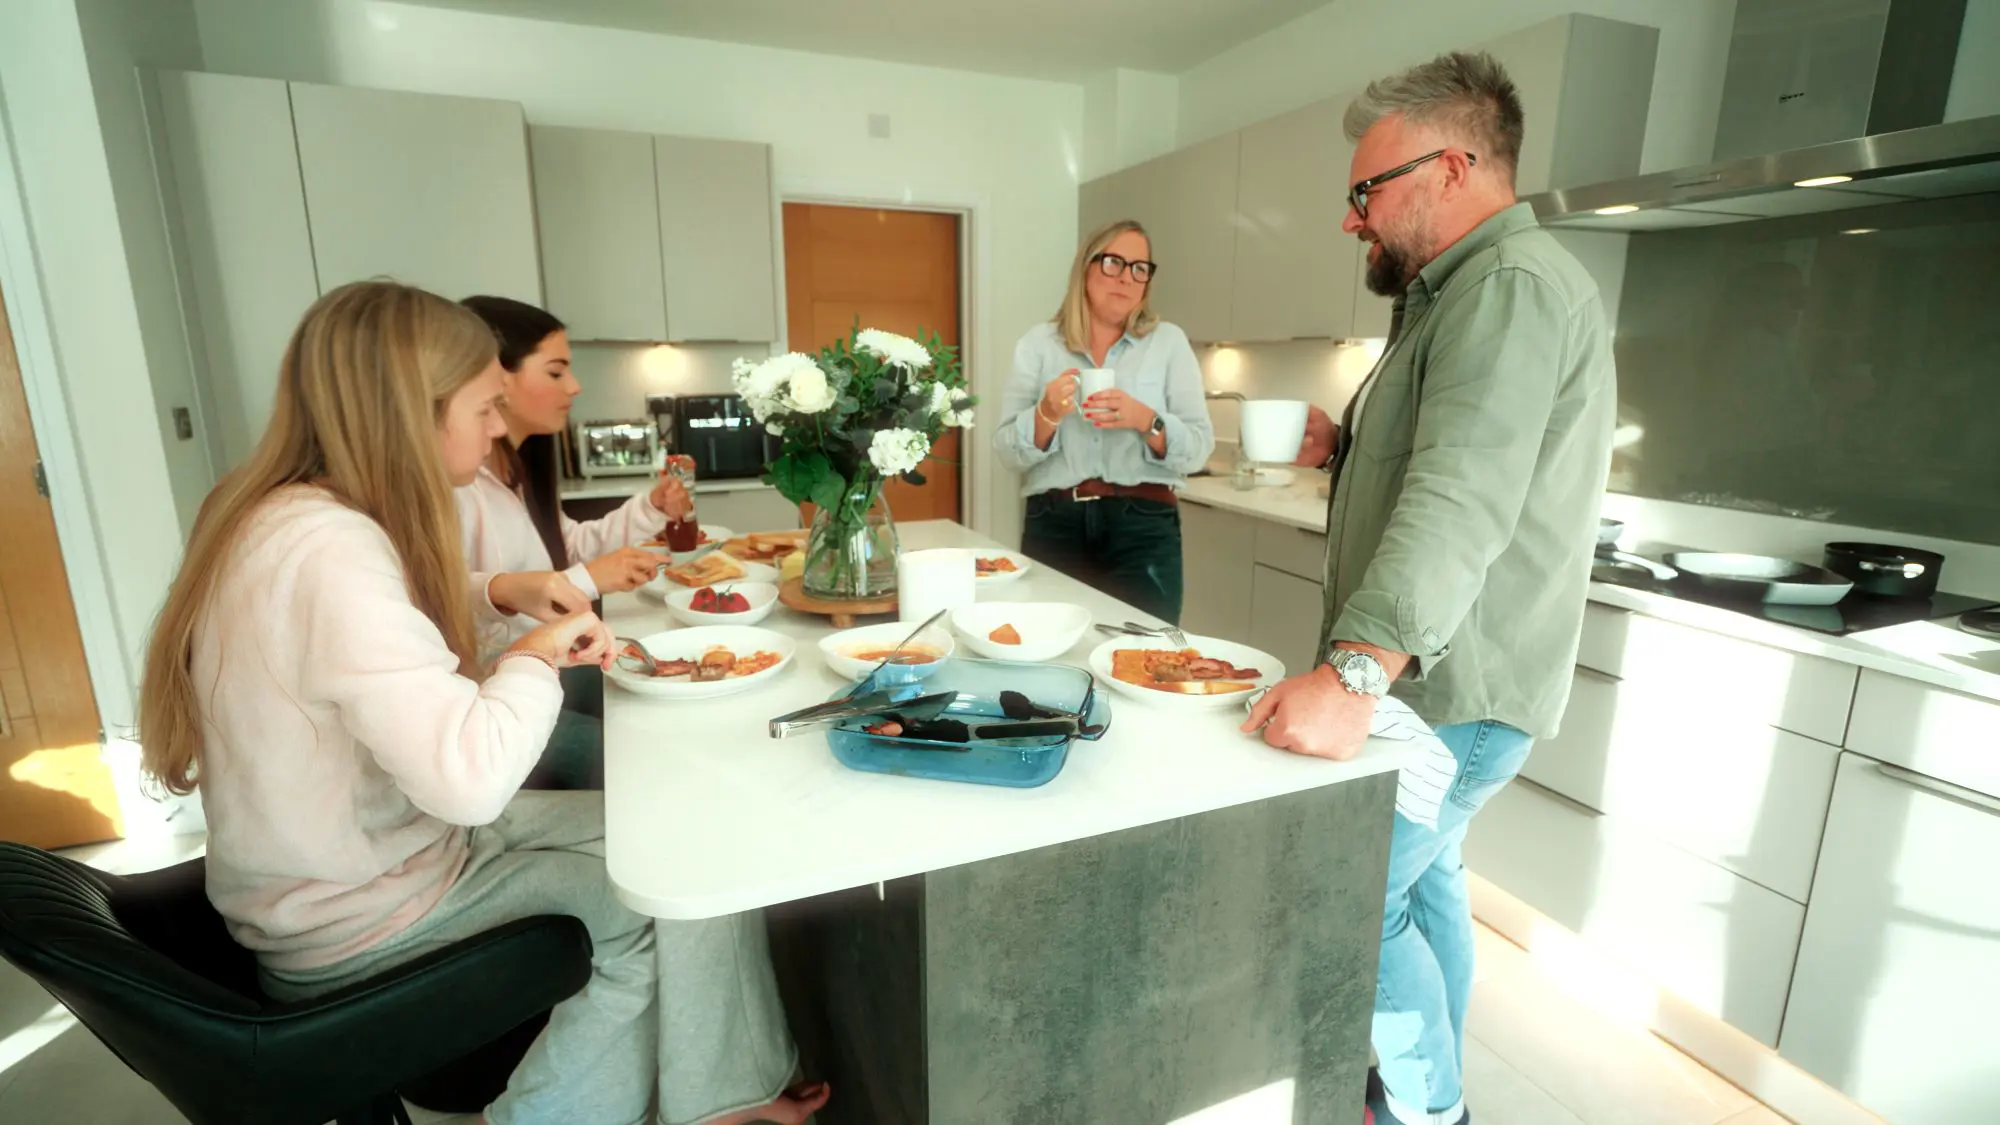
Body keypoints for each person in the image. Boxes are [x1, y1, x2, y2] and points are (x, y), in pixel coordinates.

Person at [137, 281, 828, 1125]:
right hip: (355, 913)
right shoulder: (332, 547)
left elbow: (369, 624)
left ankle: (724, 1096)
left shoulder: (281, 513)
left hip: (354, 867)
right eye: (484, 407)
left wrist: (501, 588)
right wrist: (539, 652)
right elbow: (471, 780)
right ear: (413, 413)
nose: (499, 428)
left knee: (684, 829)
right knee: (649, 898)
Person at [1244, 52, 1615, 1125]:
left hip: (1449, 690)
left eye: (1364, 192)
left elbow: (1460, 495)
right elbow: (1449, 456)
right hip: (1453, 684)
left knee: (1345, 903)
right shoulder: (1461, 292)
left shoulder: (1505, 286)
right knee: (1424, 884)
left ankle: (1425, 1110)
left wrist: (1355, 670)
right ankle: (1420, 1086)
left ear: (1448, 168)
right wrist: (1345, 448)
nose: (1352, 220)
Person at [457, 295, 693, 789]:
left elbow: (566, 546)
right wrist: (588, 581)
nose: (575, 387)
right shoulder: (462, 486)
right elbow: (475, 610)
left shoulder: (515, 472)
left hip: (545, 668)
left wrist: (648, 508)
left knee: (674, 693)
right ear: (494, 377)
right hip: (495, 697)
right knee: (658, 759)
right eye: (556, 371)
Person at [993, 219, 1215, 623]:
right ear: (1086, 267)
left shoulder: (1168, 343)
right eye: (1114, 262)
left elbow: (1198, 448)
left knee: (1143, 651)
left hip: (1143, 525)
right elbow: (1008, 452)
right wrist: (1046, 415)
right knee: (1049, 645)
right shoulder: (1038, 345)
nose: (1127, 278)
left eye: (1139, 268)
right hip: (1054, 520)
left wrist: (1145, 419)